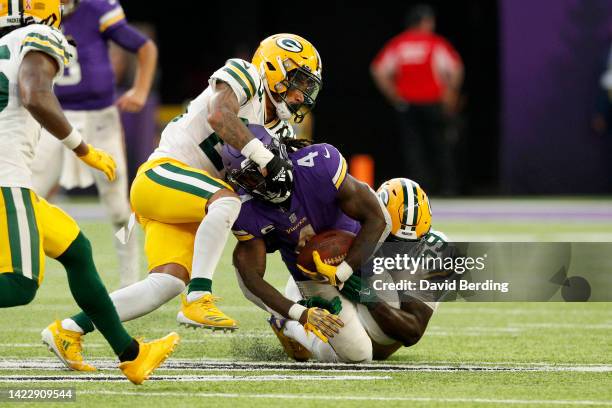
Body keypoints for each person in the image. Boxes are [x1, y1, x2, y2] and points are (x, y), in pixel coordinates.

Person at [46, 34, 323, 370]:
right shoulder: (246, 75)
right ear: (274, 67)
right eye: (298, 81)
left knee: (163, 283)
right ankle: (198, 295)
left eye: (307, 86)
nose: (300, 94)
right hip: (160, 175)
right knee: (226, 201)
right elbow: (220, 118)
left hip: (184, 200)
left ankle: (67, 329)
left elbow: (257, 180)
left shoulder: (278, 129)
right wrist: (263, 157)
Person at [0, 0, 178, 384]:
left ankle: (131, 355)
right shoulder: (39, 34)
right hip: (5, 177)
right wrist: (83, 148)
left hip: (12, 176)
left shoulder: (7, 44)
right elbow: (34, 94)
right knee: (19, 284)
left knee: (77, 250)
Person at [227, 125, 391, 363]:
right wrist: (299, 313)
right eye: (250, 178)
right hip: (309, 274)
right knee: (359, 356)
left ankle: (304, 302)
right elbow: (250, 278)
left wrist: (343, 271)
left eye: (262, 167)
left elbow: (378, 217)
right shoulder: (245, 208)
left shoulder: (318, 165)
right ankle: (290, 324)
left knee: (392, 325)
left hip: (358, 251)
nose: (260, 181)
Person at [29, 0, 157, 288]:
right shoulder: (32, 11)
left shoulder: (97, 8)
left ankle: (129, 281)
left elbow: (145, 46)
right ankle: (20, 266)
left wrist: (141, 89)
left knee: (119, 209)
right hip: (53, 117)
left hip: (100, 120)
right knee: (26, 198)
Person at [270, 178, 452, 362]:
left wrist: (369, 297)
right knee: (351, 351)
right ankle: (293, 321)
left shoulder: (435, 251)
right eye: (392, 241)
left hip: (373, 301)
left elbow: (412, 332)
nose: (399, 250)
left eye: (409, 243)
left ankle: (291, 328)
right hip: (321, 283)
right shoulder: (358, 224)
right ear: (379, 222)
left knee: (369, 348)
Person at [371, 4, 463, 195]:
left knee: (413, 149)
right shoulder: (435, 43)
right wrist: (450, 93)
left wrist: (392, 93)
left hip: (407, 104)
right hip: (433, 103)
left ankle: (419, 191)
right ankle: (447, 189)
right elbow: (455, 68)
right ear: (425, 22)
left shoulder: (398, 44)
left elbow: (378, 69)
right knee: (439, 145)